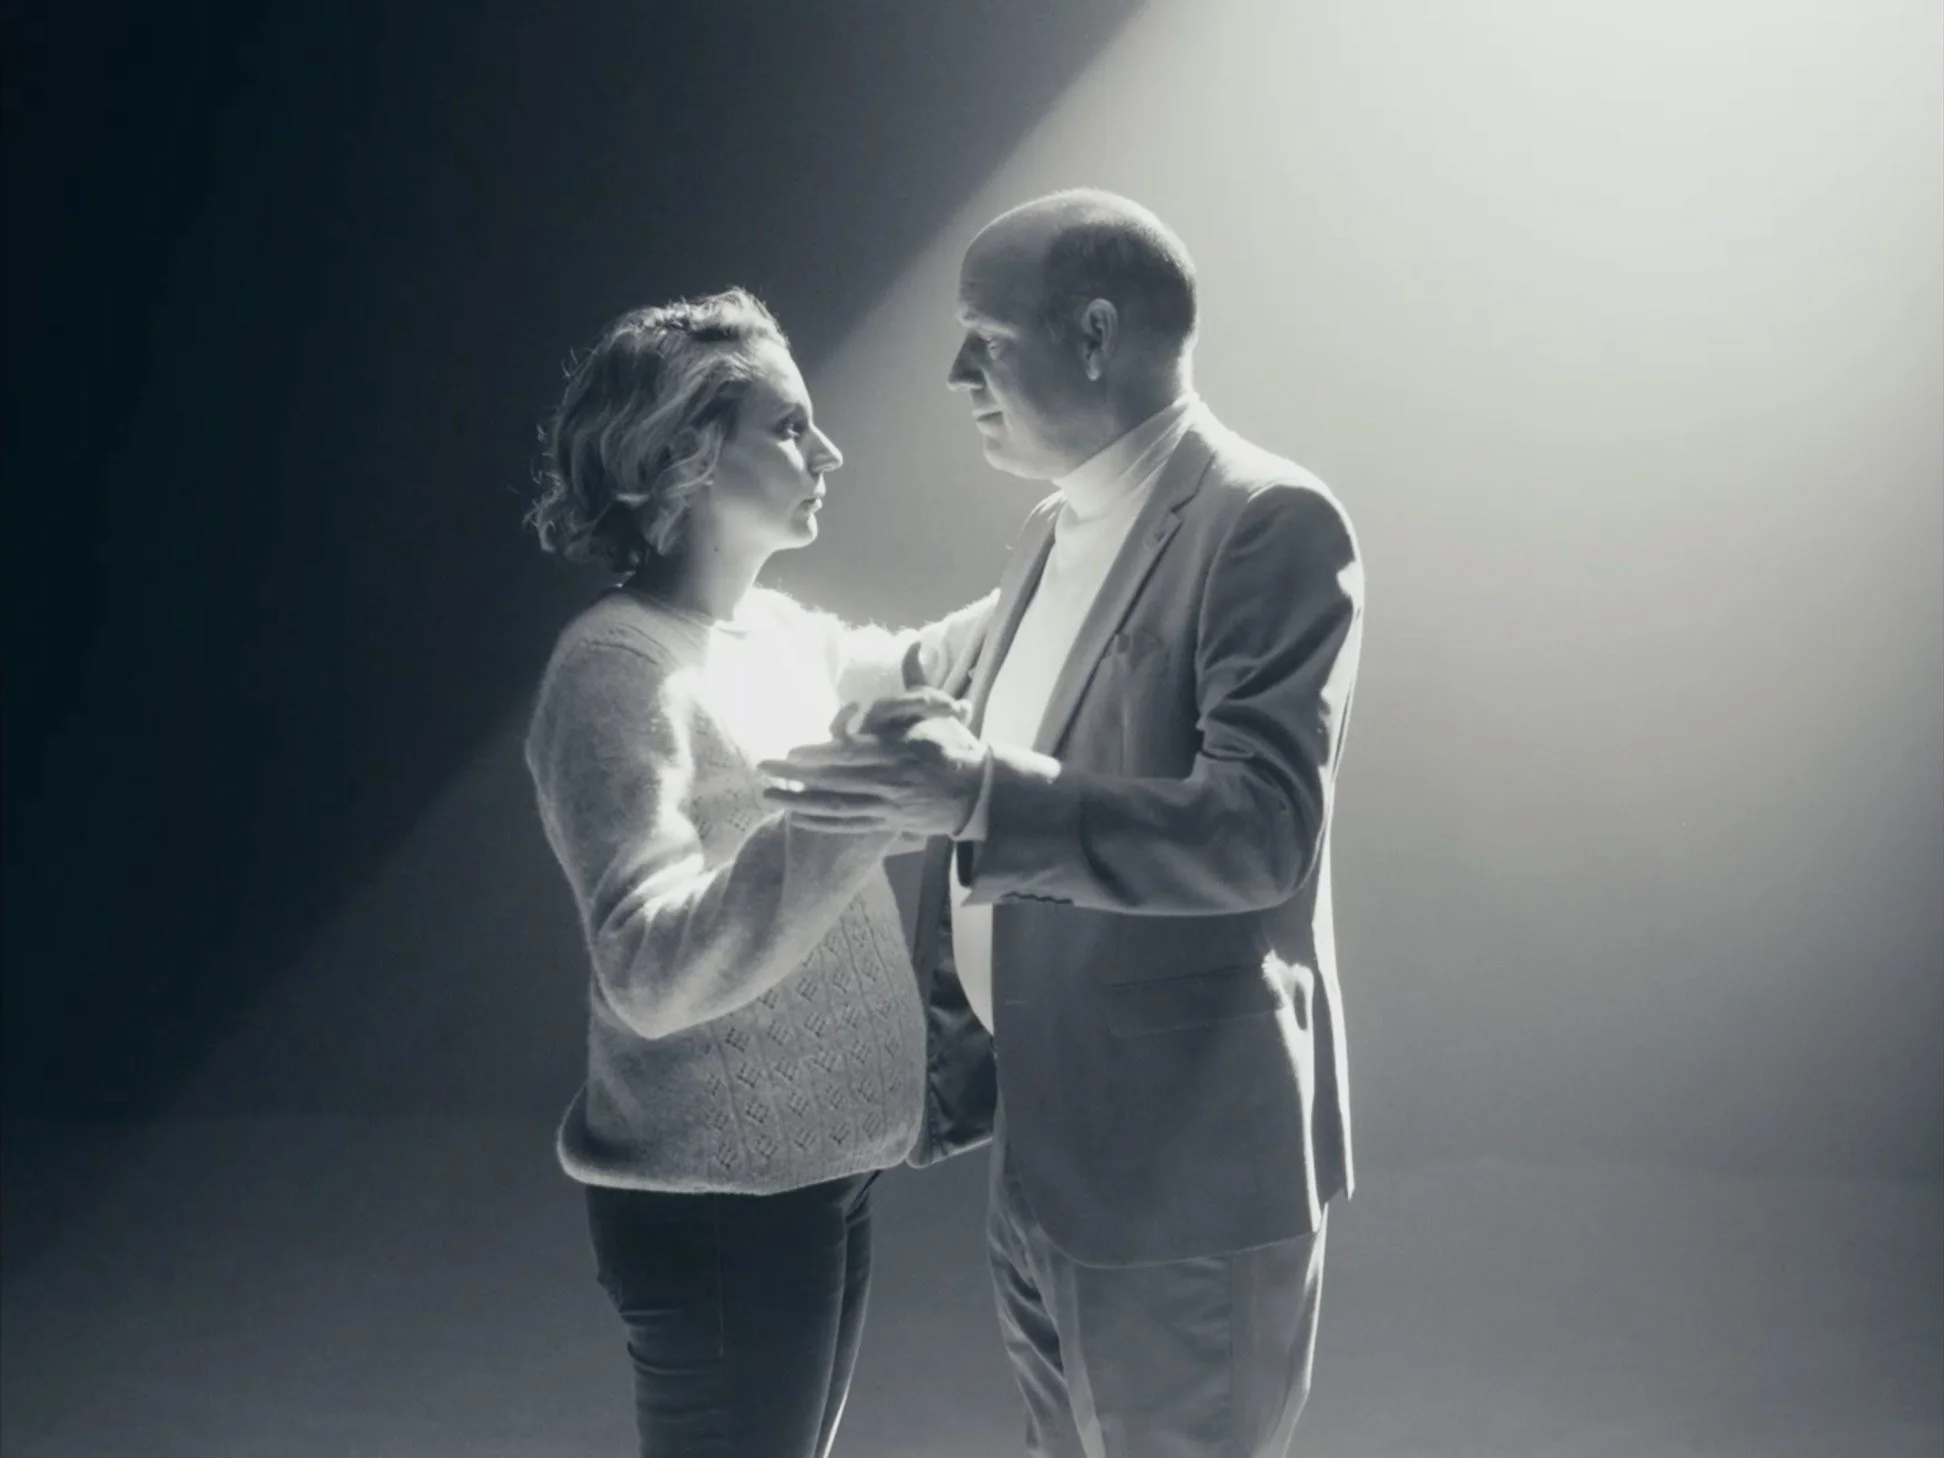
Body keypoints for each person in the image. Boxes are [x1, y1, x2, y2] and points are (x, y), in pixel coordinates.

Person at [762, 191, 1366, 1458]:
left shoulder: (1270, 523)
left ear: (1094, 335)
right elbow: (928, 671)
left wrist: (980, 797)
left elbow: (1260, 833)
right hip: (1046, 1144)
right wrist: (707, 619)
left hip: (1181, 1174)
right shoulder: (1054, 528)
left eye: (984, 334)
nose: (955, 370)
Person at [521, 287, 988, 1458]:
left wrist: (1085, 535)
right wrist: (845, 812)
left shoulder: (773, 635)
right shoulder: (615, 669)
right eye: (788, 426)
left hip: (819, 1178)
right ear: (681, 452)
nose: (826, 450)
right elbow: (646, 967)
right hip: (718, 1212)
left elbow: (934, 663)